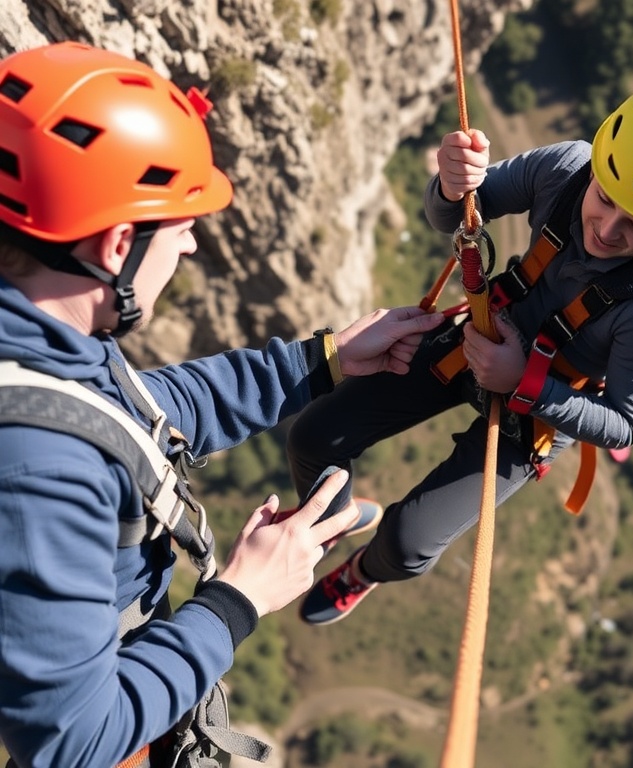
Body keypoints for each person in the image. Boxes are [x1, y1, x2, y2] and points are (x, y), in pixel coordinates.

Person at [0, 41, 443, 768]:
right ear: (118, 245)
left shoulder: (40, 334)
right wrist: (240, 596)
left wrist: (320, 361)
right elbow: (70, 743)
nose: (193, 245)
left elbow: (127, 413)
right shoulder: (36, 470)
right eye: (179, 228)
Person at [287, 77, 633, 626]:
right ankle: (337, 519)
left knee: (408, 545)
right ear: (596, 169)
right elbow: (453, 216)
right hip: (478, 335)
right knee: (312, 437)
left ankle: (361, 572)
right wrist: (453, 186)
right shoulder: (568, 170)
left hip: (537, 411)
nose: (606, 229)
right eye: (604, 199)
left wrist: (523, 381)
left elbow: (625, 424)